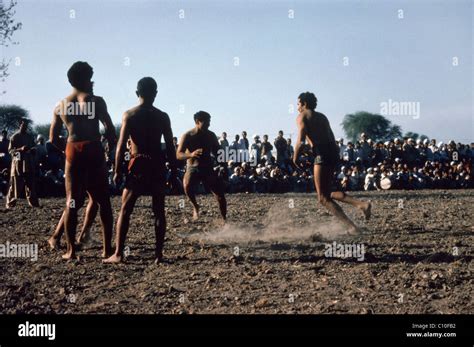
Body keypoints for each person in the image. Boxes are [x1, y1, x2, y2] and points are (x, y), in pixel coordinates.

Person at [104, 77, 177, 264]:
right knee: (159, 211)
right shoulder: (162, 116)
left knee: (125, 210)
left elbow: (121, 146)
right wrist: (174, 171)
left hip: (138, 163)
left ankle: (119, 253)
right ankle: (158, 255)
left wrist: (117, 169)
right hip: (157, 165)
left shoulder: (130, 115)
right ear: (156, 93)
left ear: (137, 93)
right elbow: (170, 146)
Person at [50, 61, 116, 260]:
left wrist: (68, 153)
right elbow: (110, 129)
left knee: (71, 201)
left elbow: (53, 138)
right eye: (90, 78)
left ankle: (70, 251)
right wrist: (109, 148)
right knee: (103, 200)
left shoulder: (60, 105)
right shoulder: (96, 101)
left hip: (73, 147)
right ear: (85, 79)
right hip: (93, 147)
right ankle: (106, 250)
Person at [292, 92, 371, 235]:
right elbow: (329, 137)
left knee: (322, 198)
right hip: (332, 153)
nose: (297, 107)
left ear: (304, 104)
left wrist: (295, 157)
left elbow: (301, 140)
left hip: (322, 155)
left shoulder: (302, 116)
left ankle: (352, 227)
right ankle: (362, 205)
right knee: (329, 193)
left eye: (298, 104)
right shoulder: (322, 117)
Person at [177, 111, 227, 221]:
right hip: (192, 167)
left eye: (209, 122)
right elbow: (178, 154)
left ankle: (224, 220)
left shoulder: (211, 135)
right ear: (197, 122)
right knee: (187, 186)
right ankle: (195, 206)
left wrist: (223, 164)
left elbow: (218, 152)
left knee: (219, 195)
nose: (209, 124)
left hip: (207, 168)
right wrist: (191, 154)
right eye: (206, 122)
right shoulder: (188, 135)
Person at [6, 119, 40, 208]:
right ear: (20, 125)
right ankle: (10, 203)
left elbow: (34, 147)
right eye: (23, 125)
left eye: (26, 125)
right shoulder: (14, 137)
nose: (25, 127)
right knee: (15, 184)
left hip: (28, 163)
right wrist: (20, 149)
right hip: (18, 163)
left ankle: (33, 203)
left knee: (30, 183)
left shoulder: (29, 137)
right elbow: (10, 151)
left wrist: (33, 150)